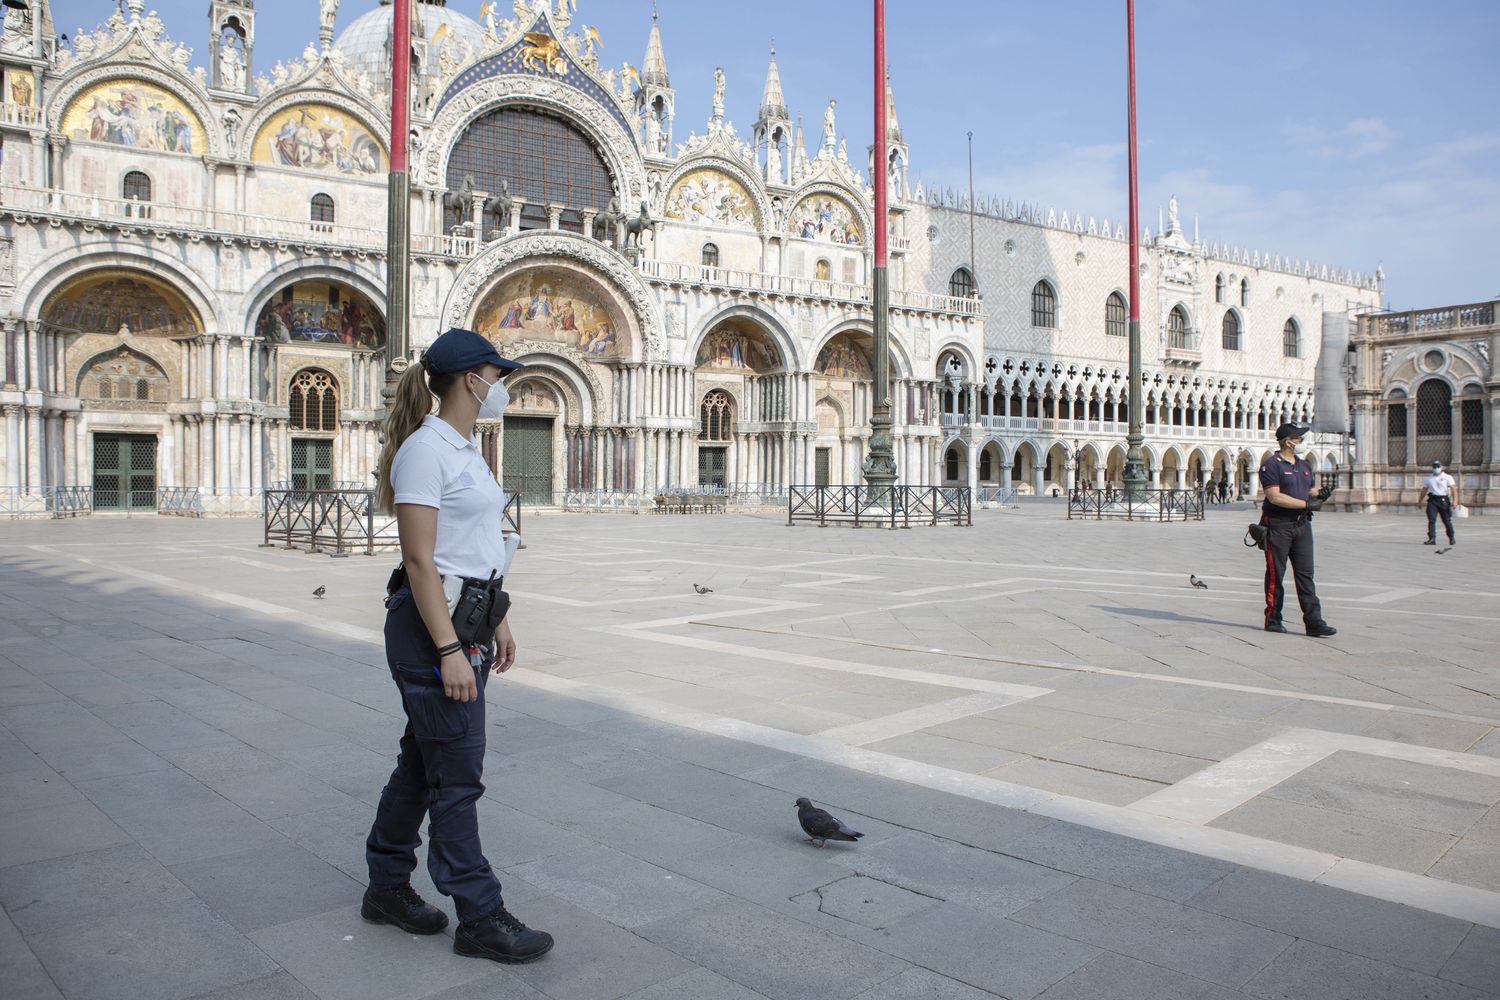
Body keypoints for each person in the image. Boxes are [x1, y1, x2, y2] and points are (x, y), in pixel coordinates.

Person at [363, 328, 553, 965]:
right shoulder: (425, 451)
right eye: (497, 375)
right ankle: (479, 914)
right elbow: (419, 559)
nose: (501, 386)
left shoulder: (466, 450)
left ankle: (386, 887)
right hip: (431, 628)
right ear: (470, 379)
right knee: (457, 778)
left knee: (424, 762)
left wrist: (496, 616)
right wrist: (447, 649)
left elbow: (474, 548)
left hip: (466, 618)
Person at [1257, 422, 1337, 638]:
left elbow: (1310, 490)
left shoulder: (1303, 465)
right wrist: (1305, 505)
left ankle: (1314, 622)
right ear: (1288, 442)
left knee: (1306, 575)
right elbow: (1274, 496)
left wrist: (1321, 493)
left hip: (1302, 526)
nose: (1302, 442)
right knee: (1276, 574)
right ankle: (1273, 618)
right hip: (1278, 526)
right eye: (1299, 439)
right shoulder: (1271, 465)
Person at [1420, 460, 1458, 547]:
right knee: (1432, 520)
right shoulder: (1429, 478)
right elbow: (1424, 490)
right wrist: (1419, 501)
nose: (1436, 468)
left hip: (1443, 500)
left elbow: (1454, 490)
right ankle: (1432, 538)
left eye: (1437, 466)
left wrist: (1455, 501)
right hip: (1433, 500)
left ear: (1441, 467)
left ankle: (1451, 536)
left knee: (1446, 520)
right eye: (1434, 467)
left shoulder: (1447, 477)